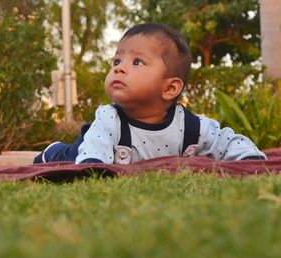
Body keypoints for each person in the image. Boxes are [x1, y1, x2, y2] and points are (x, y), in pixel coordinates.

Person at [34, 22, 266, 164]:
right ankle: (53, 151)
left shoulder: (192, 127)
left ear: (169, 88)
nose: (119, 67)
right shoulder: (108, 119)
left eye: (137, 61)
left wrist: (248, 157)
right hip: (85, 147)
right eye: (117, 60)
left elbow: (226, 141)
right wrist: (92, 166)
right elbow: (94, 154)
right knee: (66, 156)